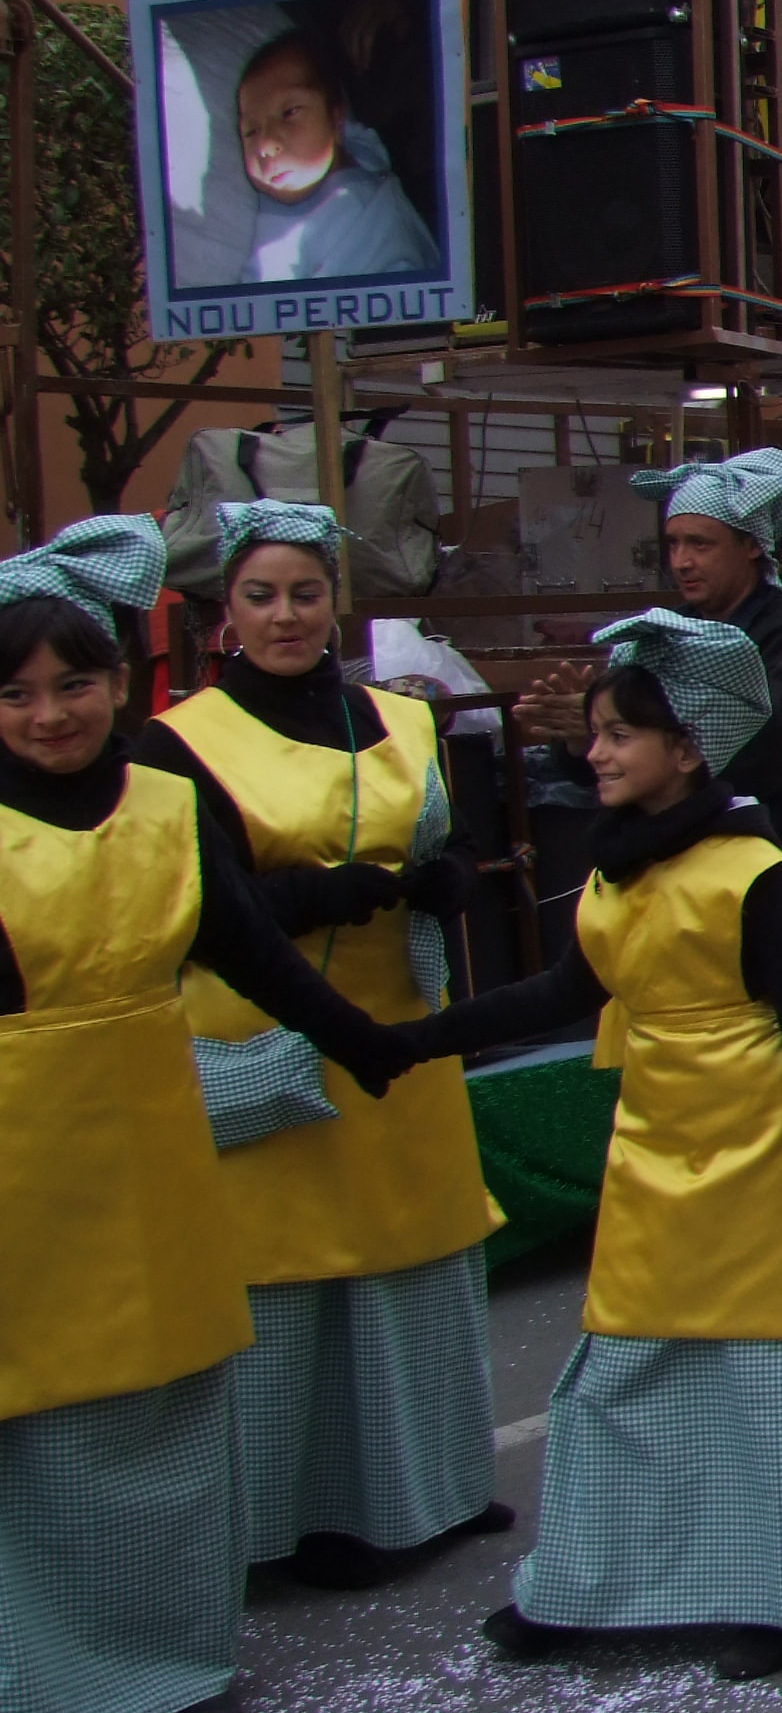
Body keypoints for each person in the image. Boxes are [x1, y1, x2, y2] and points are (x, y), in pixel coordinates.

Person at [394, 611, 782, 1681]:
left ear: (688, 749)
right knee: (619, 1373)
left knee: (764, 1375)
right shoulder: (617, 866)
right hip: (656, 1149)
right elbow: (566, 989)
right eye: (595, 732)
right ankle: (580, 1586)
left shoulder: (752, 871)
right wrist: (416, 1041)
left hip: (762, 1156)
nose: (594, 752)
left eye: (619, 734)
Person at [1, 515, 412, 1713]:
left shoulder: (167, 807)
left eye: (74, 683)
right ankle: (31, 1697)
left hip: (151, 1154)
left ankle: (176, 1663)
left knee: (167, 1410)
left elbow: (251, 953)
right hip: (20, 1166)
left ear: (120, 682)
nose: (49, 714)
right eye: (15, 694)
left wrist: (369, 1042)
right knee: (32, 1426)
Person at [132, 503, 507, 1589]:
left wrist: (450, 878)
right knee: (292, 1279)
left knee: (415, 1260)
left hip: (404, 1037)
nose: (286, 615)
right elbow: (186, 903)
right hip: (269, 1041)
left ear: (337, 600)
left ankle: (434, 1488)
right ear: (226, 611)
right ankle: (293, 1521)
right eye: (262, 596)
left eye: (306, 592)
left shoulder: (403, 719)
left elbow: (454, 836)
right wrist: (313, 895)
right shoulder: (179, 741)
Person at [513, 446, 782, 946]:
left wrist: (624, 730)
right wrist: (585, 740)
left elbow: (765, 760)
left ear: (752, 545)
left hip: (768, 888)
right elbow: (619, 767)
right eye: (672, 544)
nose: (682, 562)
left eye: (700, 544)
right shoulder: (664, 632)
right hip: (667, 887)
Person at [225, 26, 439, 285]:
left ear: (337, 120)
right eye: (251, 131)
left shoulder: (360, 149)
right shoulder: (281, 231)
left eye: (289, 112)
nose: (265, 145)